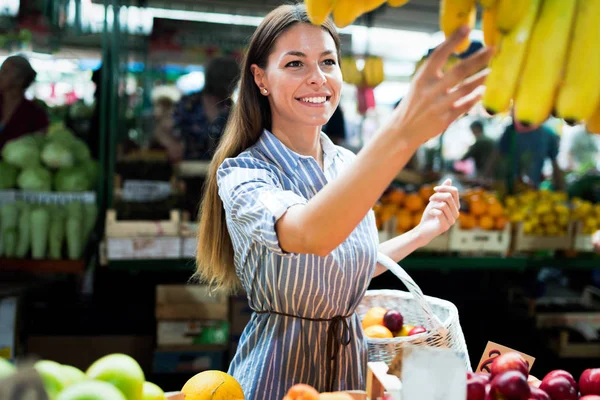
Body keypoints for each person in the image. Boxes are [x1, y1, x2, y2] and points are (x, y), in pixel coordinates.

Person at [195, 4, 492, 399]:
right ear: (261, 78)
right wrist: (401, 132)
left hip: (353, 371)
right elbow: (311, 235)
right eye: (296, 64)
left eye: (328, 62)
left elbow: (343, 267)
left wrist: (423, 233)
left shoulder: (346, 164)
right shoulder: (243, 174)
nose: (317, 78)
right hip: (279, 376)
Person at [168, 55, 241, 161]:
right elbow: (163, 128)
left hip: (222, 172)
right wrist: (172, 144)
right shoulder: (189, 103)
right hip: (188, 168)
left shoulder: (233, 110)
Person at [485, 119, 565, 190]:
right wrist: (486, 176)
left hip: (533, 187)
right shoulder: (511, 130)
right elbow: (496, 154)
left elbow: (554, 162)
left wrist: (561, 187)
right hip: (509, 186)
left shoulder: (548, 134)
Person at [0, 55, 49, 150]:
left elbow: (39, 146)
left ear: (20, 80)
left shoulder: (36, 115)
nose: (0, 75)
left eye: (5, 72)